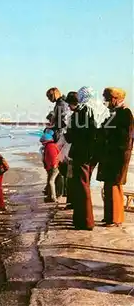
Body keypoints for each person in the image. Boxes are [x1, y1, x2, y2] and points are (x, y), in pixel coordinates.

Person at [64, 87, 107, 230]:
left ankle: (85, 221)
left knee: (82, 186)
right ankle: (82, 220)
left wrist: (68, 132)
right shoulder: (100, 110)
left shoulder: (83, 112)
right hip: (92, 153)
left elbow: (75, 135)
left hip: (82, 154)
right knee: (83, 185)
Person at [97, 87, 133, 227]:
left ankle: (116, 218)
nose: (105, 101)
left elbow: (125, 137)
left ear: (115, 98)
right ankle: (109, 217)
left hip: (117, 155)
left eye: (107, 98)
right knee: (108, 185)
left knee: (114, 186)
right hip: (110, 154)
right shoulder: (115, 113)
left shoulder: (125, 113)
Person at [40, 131, 62, 203]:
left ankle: (53, 197)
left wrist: (54, 165)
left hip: (53, 167)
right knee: (50, 181)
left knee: (51, 181)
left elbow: (53, 157)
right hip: (51, 166)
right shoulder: (51, 145)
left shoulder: (50, 146)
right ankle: (50, 196)